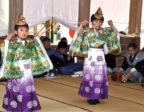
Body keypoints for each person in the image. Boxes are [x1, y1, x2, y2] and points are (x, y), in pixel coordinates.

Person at [0, 15, 53, 111]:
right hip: (17, 69)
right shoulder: (13, 43)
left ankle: (27, 107)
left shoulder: (30, 42)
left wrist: (37, 39)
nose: (24, 33)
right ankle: (16, 107)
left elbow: (38, 49)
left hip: (27, 69)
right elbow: (7, 53)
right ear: (16, 32)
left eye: (26, 30)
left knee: (28, 87)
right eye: (21, 30)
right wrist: (7, 41)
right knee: (16, 88)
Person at [69, 7, 121, 104]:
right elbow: (77, 36)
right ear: (92, 22)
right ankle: (90, 96)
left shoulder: (105, 31)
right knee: (91, 76)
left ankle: (97, 95)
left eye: (100, 21)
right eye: (96, 21)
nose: (98, 23)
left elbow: (115, 35)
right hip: (91, 55)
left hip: (101, 56)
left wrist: (112, 25)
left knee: (99, 76)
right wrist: (81, 25)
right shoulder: (87, 30)